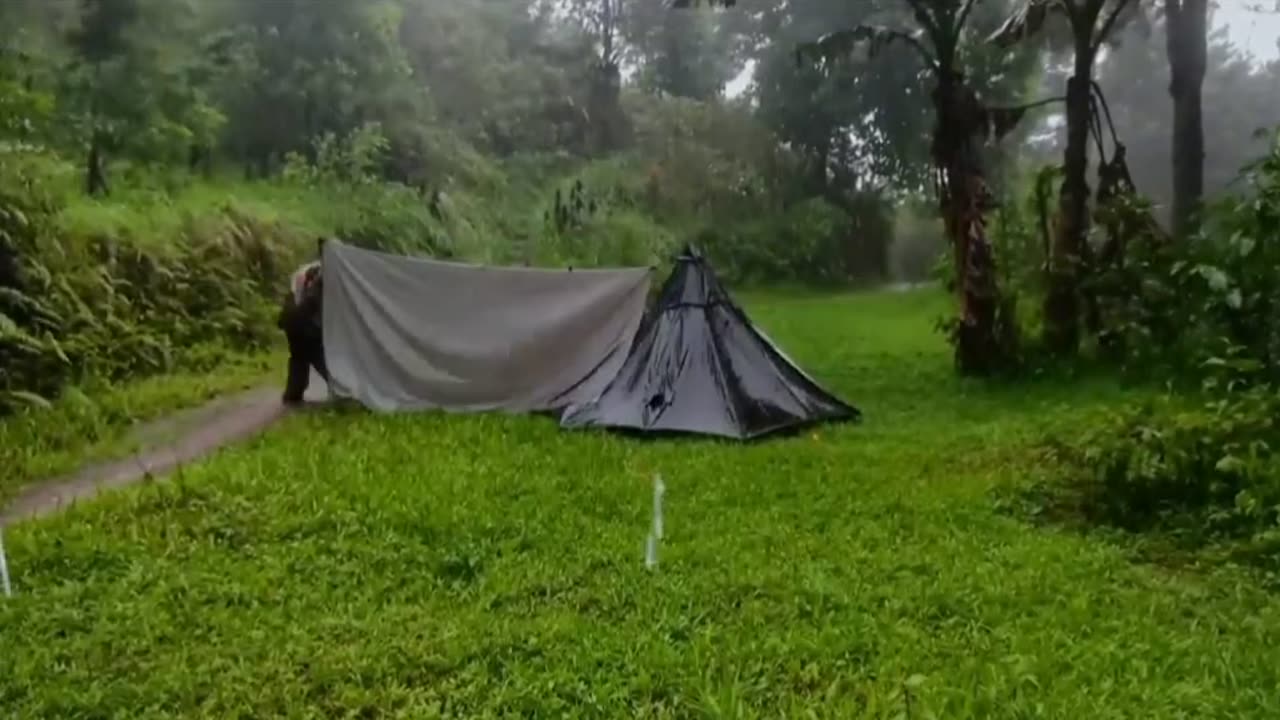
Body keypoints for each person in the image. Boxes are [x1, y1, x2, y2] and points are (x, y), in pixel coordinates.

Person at [278, 240, 331, 405]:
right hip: (304, 319)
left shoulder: (305, 269)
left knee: (298, 357)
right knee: (324, 360)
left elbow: (292, 294)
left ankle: (292, 395)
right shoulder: (324, 272)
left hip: (291, 319)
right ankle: (344, 391)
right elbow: (313, 300)